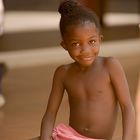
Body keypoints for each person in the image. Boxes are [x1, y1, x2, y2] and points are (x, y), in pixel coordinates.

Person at [32, 0, 135, 140]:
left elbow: (127, 107)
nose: (85, 50)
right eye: (76, 44)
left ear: (100, 39)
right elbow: (50, 114)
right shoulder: (63, 73)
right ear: (64, 45)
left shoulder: (110, 66)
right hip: (69, 136)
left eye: (92, 41)